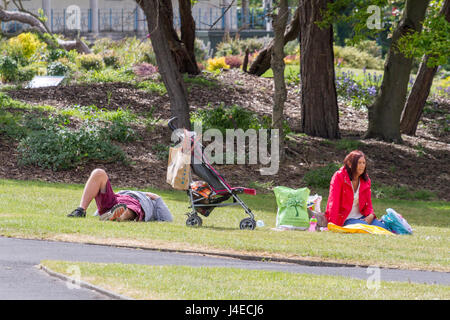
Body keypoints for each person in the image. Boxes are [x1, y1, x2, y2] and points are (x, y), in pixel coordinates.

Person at [67, 168, 173, 222]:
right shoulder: (125, 192)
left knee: (130, 209)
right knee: (99, 172)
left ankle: (119, 216)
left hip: (136, 204)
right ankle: (80, 210)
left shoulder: (150, 202)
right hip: (116, 199)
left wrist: (154, 197)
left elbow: (168, 219)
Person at [325, 150, 389, 230]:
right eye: (359, 163)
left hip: (362, 216)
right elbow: (333, 202)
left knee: (384, 228)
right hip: (346, 218)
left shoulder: (366, 180)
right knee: (365, 228)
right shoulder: (339, 176)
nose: (362, 166)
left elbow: (368, 203)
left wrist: (371, 215)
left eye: (364, 163)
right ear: (350, 164)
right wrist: (332, 225)